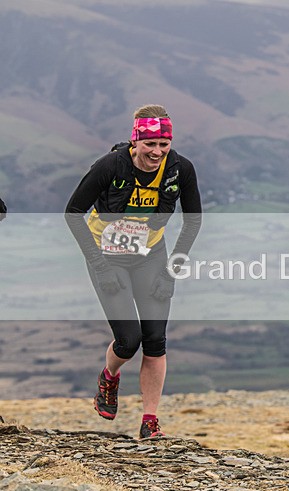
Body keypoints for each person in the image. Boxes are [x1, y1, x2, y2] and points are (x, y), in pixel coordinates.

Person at [65, 105, 202, 439]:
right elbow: (73, 213)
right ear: (135, 141)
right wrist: (98, 264)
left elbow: (194, 219)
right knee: (129, 341)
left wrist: (172, 269)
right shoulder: (110, 166)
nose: (156, 152)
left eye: (163, 145)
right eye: (150, 144)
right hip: (107, 256)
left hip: (150, 255)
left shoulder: (181, 169)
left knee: (155, 339)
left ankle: (150, 421)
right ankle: (109, 377)